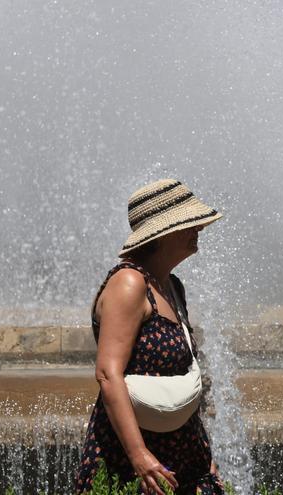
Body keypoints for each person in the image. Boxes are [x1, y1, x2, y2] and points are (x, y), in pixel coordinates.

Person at [75, 179, 225, 495]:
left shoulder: (172, 287)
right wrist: (138, 454)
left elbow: (183, 375)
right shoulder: (129, 284)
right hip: (136, 462)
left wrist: (205, 452)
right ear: (164, 233)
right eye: (190, 223)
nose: (198, 229)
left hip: (185, 456)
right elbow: (107, 374)